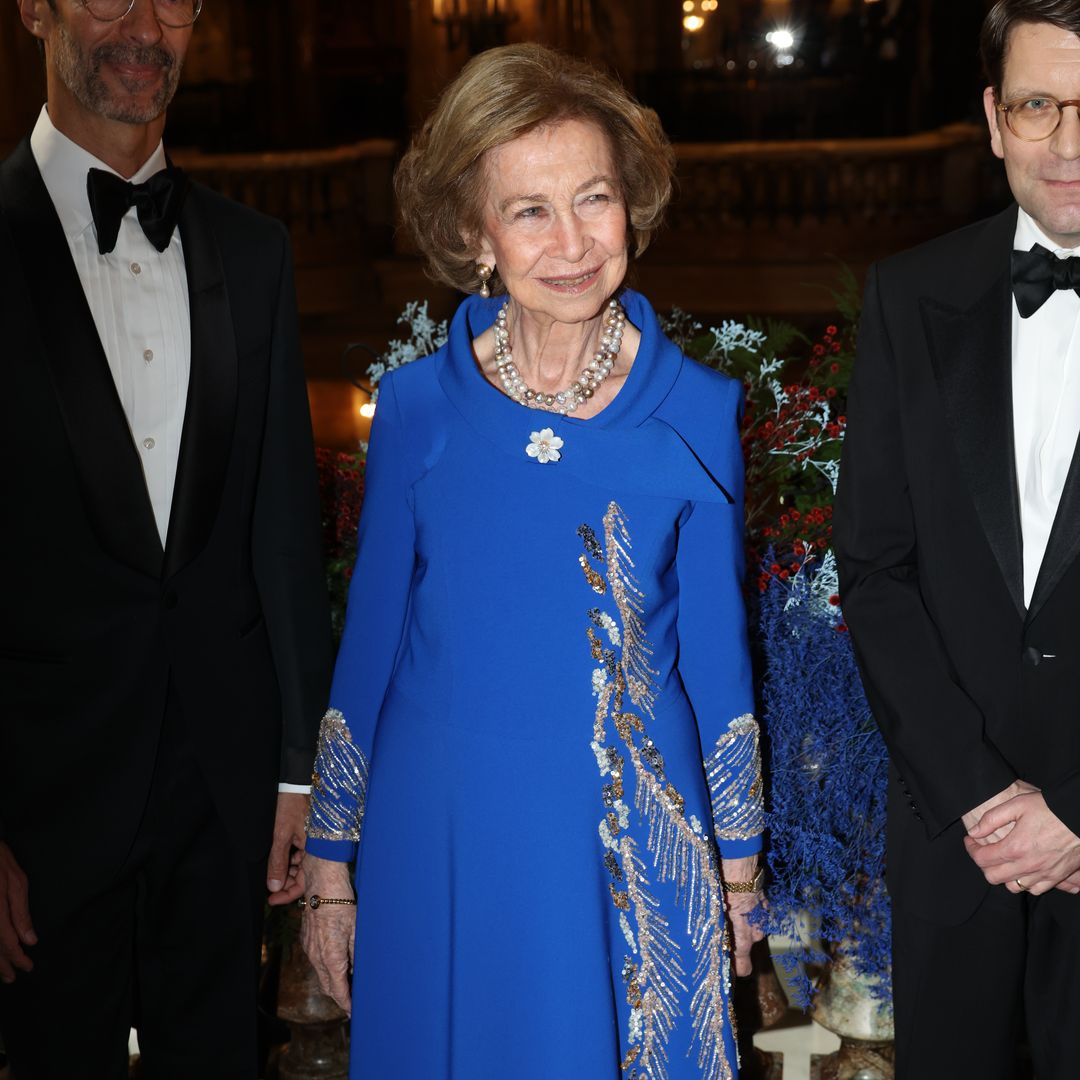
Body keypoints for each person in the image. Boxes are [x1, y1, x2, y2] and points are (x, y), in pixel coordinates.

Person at [299, 42, 765, 1080]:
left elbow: (719, 665)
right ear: (474, 236)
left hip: (627, 847)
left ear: (632, 206)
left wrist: (737, 877)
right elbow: (368, 648)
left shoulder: (697, 407)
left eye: (594, 199)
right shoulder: (417, 409)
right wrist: (331, 871)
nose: (571, 242)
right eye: (529, 211)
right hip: (444, 836)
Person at [0, 1, 332, 1075]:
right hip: (37, 807)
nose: (143, 24)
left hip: (225, 792)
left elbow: (284, 530)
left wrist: (296, 773)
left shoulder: (257, 250)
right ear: (35, 9)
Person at [835, 2, 1080, 1075]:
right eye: (1039, 106)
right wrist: (980, 792)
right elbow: (876, 569)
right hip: (953, 846)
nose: (1069, 144)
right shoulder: (909, 295)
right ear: (993, 117)